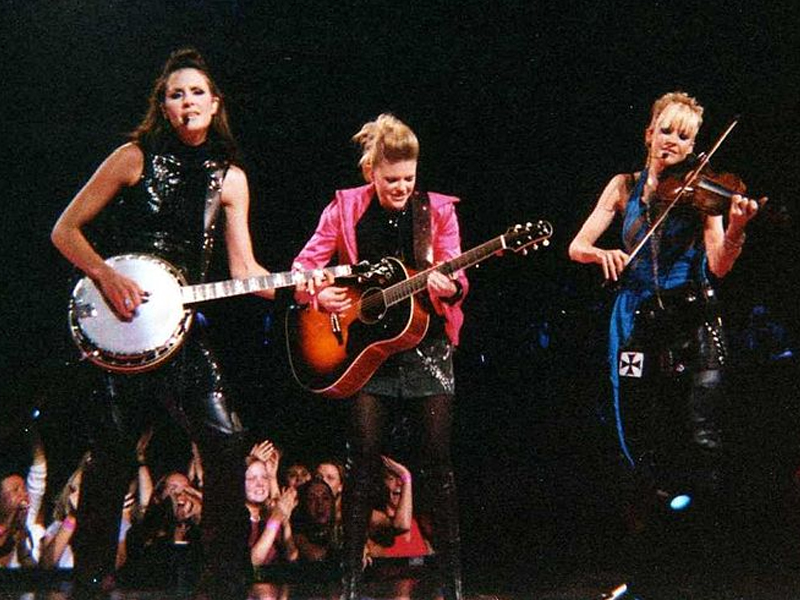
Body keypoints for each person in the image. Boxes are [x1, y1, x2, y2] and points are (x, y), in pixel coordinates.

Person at [50, 47, 274, 598]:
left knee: (225, 441)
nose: (187, 101)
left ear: (214, 102)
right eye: (176, 94)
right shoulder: (133, 157)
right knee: (111, 459)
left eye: (197, 92)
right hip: (123, 332)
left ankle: (224, 582)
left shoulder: (231, 180)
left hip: (184, 331)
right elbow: (66, 231)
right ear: (164, 106)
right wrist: (106, 276)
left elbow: (244, 268)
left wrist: (298, 286)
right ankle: (92, 582)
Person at [292, 113, 468, 600]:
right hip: (366, 350)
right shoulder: (346, 209)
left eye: (409, 178)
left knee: (438, 460)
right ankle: (348, 584)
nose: (402, 188)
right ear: (372, 171)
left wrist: (449, 283)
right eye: (392, 179)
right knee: (363, 460)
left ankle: (453, 585)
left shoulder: (437, 213)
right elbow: (306, 265)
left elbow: (457, 275)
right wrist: (317, 295)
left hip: (425, 342)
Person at [568, 92, 762, 523]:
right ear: (649, 133)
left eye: (685, 135)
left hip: (689, 319)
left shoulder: (703, 195)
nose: (673, 140)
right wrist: (602, 255)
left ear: (694, 148)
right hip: (635, 317)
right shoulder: (622, 186)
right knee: (638, 427)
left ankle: (705, 532)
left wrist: (736, 228)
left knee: (699, 432)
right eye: (666, 130)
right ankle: (652, 530)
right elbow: (576, 246)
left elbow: (719, 265)